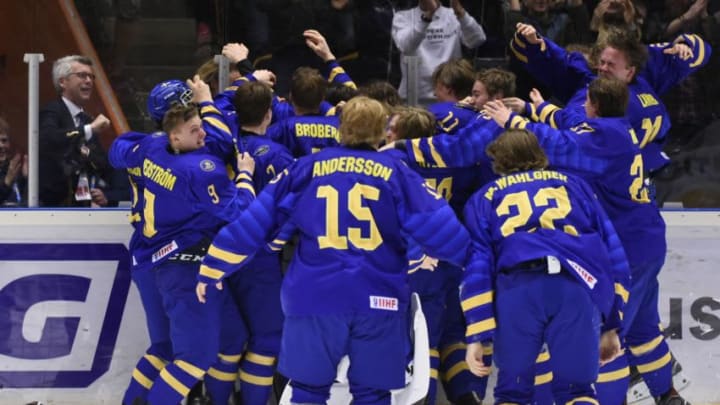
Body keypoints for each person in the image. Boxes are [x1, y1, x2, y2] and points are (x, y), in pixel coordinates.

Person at [197, 96, 472, 405]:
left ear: (340, 128)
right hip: (379, 299)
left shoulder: (306, 168)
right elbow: (446, 234)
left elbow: (254, 223)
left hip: (314, 296)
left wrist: (212, 268)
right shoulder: (399, 173)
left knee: (307, 391)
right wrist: (476, 271)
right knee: (373, 394)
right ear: (382, 131)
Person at [484, 76, 684, 404]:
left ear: (594, 105)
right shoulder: (618, 128)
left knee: (607, 336)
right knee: (644, 329)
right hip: (647, 239)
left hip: (628, 245)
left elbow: (561, 145)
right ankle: (670, 397)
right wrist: (542, 108)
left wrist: (514, 121)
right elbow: (572, 121)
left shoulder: (601, 136)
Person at [462, 127, 629, 404]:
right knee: (578, 391)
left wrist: (476, 334)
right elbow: (612, 253)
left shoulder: (484, 198)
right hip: (574, 285)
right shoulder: (575, 185)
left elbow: (477, 267)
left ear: (499, 161)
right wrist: (612, 324)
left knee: (511, 391)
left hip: (518, 290)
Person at [110, 94, 256, 405]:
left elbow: (117, 151)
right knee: (190, 355)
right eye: (195, 129)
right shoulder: (201, 168)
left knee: (230, 339)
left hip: (161, 255)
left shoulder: (150, 147)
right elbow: (240, 209)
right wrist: (245, 174)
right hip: (183, 264)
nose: (202, 133)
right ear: (175, 133)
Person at [385, 106, 489, 404]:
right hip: (455, 255)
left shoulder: (391, 162)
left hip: (414, 259)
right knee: (456, 331)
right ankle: (467, 393)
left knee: (423, 337)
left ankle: (424, 398)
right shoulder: (458, 162)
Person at [509, 23, 711, 173]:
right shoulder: (600, 85)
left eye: (611, 65)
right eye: (602, 62)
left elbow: (576, 129)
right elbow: (560, 64)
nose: (603, 69)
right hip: (624, 171)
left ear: (630, 71)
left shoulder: (606, 97)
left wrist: (535, 110)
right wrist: (536, 43)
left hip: (630, 174)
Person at [225, 81, 294, 405]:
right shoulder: (278, 156)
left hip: (219, 255)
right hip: (257, 257)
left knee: (229, 340)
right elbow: (293, 207)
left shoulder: (217, 143)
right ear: (269, 113)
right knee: (267, 338)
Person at [39, 55, 112, 207]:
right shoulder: (52, 111)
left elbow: (101, 162)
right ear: (62, 81)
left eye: (91, 76)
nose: (89, 81)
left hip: (81, 204)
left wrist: (103, 195)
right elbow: (50, 140)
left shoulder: (86, 119)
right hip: (52, 207)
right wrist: (89, 130)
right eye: (82, 75)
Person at [392, 0, 486, 100]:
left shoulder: (453, 15)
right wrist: (427, 17)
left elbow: (477, 40)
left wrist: (460, 13)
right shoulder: (402, 17)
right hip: (414, 97)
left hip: (450, 94)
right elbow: (406, 47)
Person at [0, 118, 27, 207]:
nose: (1, 145)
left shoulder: (13, 169)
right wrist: (7, 182)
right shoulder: (10, 174)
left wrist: (26, 179)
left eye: (4, 140)